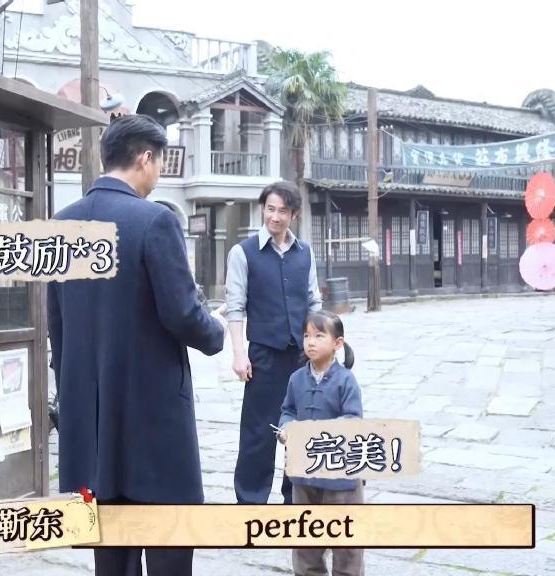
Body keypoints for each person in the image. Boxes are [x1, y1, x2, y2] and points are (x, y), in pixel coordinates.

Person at [47, 114, 227, 576]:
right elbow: (182, 313)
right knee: (167, 545)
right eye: (159, 162)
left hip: (91, 421)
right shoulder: (154, 221)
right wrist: (216, 330)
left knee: (111, 551)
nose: (159, 173)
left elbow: (57, 325)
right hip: (153, 418)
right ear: (145, 158)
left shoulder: (62, 224)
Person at [225, 181, 322, 505]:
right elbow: (235, 307)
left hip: (302, 358)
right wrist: (239, 354)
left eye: (282, 211)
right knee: (258, 432)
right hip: (263, 356)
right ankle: (250, 501)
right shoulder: (243, 253)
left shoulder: (305, 252)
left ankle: (295, 498)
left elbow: (314, 302)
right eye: (270, 209)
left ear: (294, 214)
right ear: (263, 209)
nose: (275, 217)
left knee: (301, 429)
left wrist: (319, 347)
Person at [278, 311, 363, 576]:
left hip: (340, 477)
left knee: (345, 543)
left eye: (318, 336)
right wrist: (286, 428)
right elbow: (288, 410)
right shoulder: (296, 379)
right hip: (304, 475)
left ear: (337, 343)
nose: (310, 342)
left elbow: (353, 420)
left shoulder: (346, 381)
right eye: (306, 336)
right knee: (306, 540)